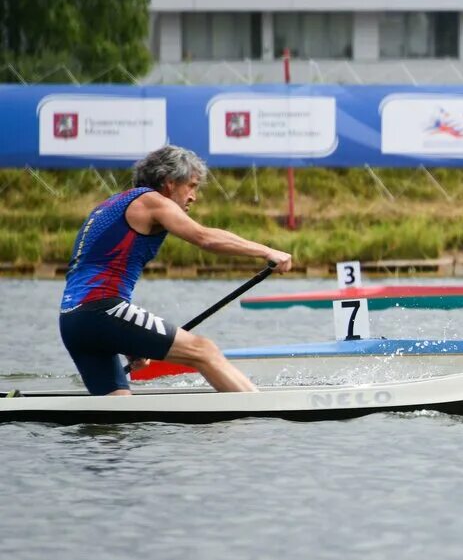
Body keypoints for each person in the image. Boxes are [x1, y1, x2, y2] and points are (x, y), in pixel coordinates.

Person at [59, 145, 293, 396]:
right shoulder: (151, 201)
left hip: (73, 322)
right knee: (203, 351)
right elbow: (204, 237)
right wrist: (266, 251)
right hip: (102, 311)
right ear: (169, 182)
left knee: (117, 410)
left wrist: (128, 341)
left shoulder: (109, 206)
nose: (194, 196)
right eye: (191, 186)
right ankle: (263, 416)